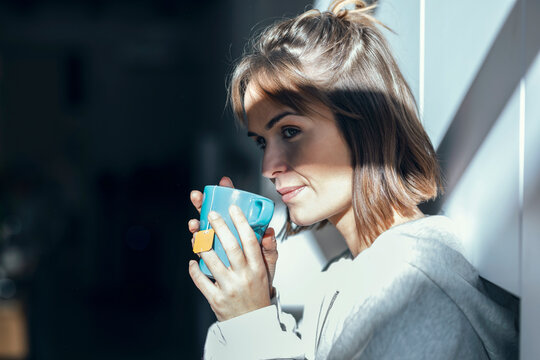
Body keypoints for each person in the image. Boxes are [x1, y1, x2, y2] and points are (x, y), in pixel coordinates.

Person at [187, 1, 518, 358]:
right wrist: (257, 302)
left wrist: (250, 325)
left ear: (365, 124)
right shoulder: (347, 273)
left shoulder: (413, 289)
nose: (268, 167)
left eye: (291, 131)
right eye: (263, 142)